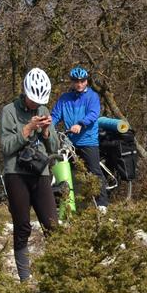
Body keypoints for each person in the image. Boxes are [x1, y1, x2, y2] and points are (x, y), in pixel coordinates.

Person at [0, 67, 60, 282]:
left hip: (40, 172)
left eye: (39, 101)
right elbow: (6, 147)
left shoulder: (44, 110)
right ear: (25, 93)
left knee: (52, 224)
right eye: (33, 100)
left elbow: (54, 147)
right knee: (23, 225)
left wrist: (45, 131)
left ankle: (58, 276)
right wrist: (27, 129)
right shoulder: (9, 111)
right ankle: (25, 279)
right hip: (16, 173)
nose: (36, 105)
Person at [51, 66, 107, 212]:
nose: (79, 84)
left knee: (94, 172)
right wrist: (47, 127)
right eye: (76, 81)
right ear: (72, 82)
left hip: (88, 141)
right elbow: (55, 115)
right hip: (70, 142)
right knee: (70, 174)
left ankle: (102, 204)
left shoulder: (92, 97)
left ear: (86, 81)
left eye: (82, 81)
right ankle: (75, 205)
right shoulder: (64, 99)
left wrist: (81, 124)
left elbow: (93, 114)